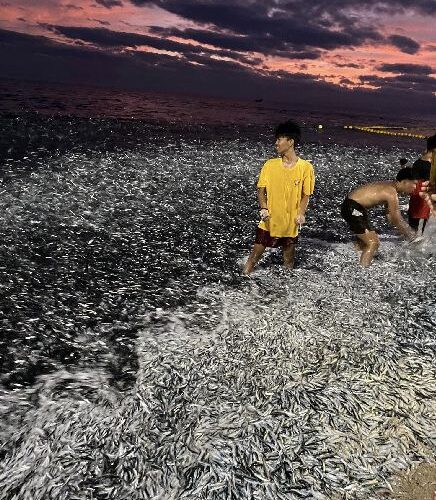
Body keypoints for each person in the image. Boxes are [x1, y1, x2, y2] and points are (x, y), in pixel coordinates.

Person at [243, 120, 315, 275]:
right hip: (270, 219)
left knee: (288, 257)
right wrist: (263, 207)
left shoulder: (306, 168)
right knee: (255, 253)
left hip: (290, 222)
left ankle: (287, 284)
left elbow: (306, 194)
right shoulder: (270, 165)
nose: (276, 143)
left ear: (290, 142)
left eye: (279, 139)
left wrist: (301, 214)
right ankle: (244, 277)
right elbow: (261, 190)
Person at [340, 168, 418, 267]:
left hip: (356, 207)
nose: (415, 187)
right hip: (352, 208)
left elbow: (390, 217)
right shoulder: (391, 192)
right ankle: (363, 271)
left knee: (364, 243)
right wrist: (412, 236)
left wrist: (405, 233)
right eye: (414, 184)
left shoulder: (390, 187)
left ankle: (353, 261)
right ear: (405, 182)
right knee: (373, 243)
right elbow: (396, 218)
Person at [408, 134, 436, 233]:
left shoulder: (421, 160)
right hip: (422, 198)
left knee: (414, 226)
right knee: (420, 229)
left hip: (415, 195)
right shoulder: (429, 164)